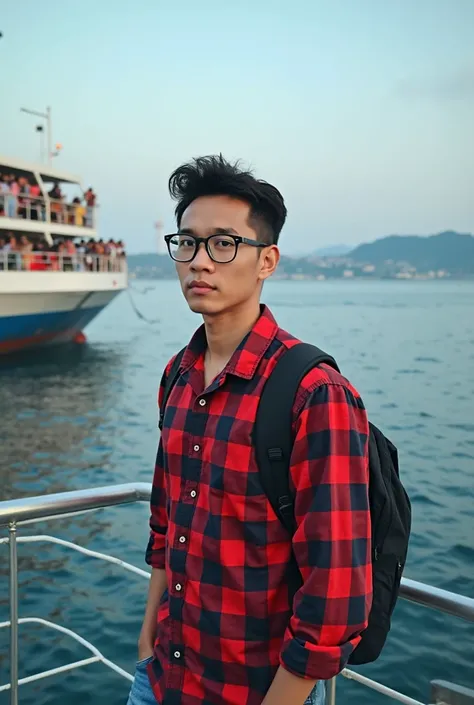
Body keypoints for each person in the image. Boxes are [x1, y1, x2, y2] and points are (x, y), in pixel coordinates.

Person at [127, 155, 372, 705]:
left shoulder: (314, 393)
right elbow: (167, 524)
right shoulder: (178, 374)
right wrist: (147, 632)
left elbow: (335, 590)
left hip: (254, 691)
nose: (199, 262)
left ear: (267, 261)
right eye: (186, 243)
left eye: (223, 243)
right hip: (162, 677)